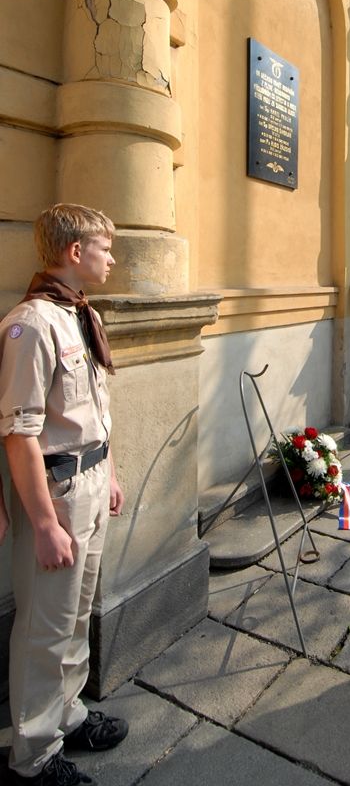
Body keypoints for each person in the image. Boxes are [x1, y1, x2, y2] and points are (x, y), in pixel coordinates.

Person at [0, 204, 128, 786]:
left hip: (92, 483)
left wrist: (112, 473)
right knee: (45, 626)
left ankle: (67, 716)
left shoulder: (80, 315)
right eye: (106, 247)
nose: (112, 257)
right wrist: (45, 523)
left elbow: (92, 411)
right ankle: (34, 756)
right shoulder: (31, 324)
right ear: (76, 252)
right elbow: (19, 431)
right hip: (57, 494)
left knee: (77, 617)